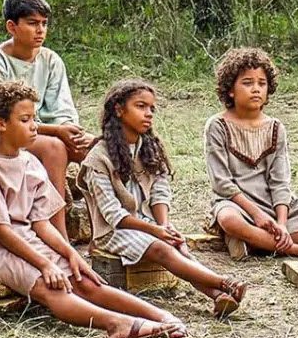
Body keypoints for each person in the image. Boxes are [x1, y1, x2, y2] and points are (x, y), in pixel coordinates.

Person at [0, 81, 187, 338]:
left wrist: (70, 253)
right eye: (25, 120)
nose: (34, 126)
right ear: (1, 124)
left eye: (34, 118)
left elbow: (41, 223)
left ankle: (160, 316)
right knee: (51, 286)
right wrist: (45, 264)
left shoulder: (30, 162)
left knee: (86, 280)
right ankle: (117, 324)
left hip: (27, 238)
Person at [79, 79, 247, 318]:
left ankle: (218, 296)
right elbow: (112, 214)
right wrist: (156, 231)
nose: (148, 113)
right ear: (119, 109)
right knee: (161, 248)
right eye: (140, 106)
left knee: (178, 246)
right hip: (112, 231)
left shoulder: (150, 148)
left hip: (148, 223)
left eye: (151, 108)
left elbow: (160, 191)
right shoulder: (98, 158)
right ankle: (225, 283)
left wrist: (164, 225)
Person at [0, 0, 93, 239]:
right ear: (12, 27)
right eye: (32, 23)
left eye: (44, 24)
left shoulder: (51, 60)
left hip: (42, 131)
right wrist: (57, 132)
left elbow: (62, 108)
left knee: (93, 149)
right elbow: (3, 118)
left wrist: (70, 131)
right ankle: (57, 236)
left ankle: (108, 229)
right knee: (54, 149)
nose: (40, 30)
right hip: (2, 135)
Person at [204, 47, 298, 260]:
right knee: (229, 220)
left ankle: (255, 242)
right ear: (230, 89)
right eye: (247, 83)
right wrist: (257, 215)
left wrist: (282, 223)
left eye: (261, 83)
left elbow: (280, 182)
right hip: (237, 203)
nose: (256, 89)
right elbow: (221, 182)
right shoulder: (217, 125)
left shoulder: (276, 127)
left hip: (272, 202)